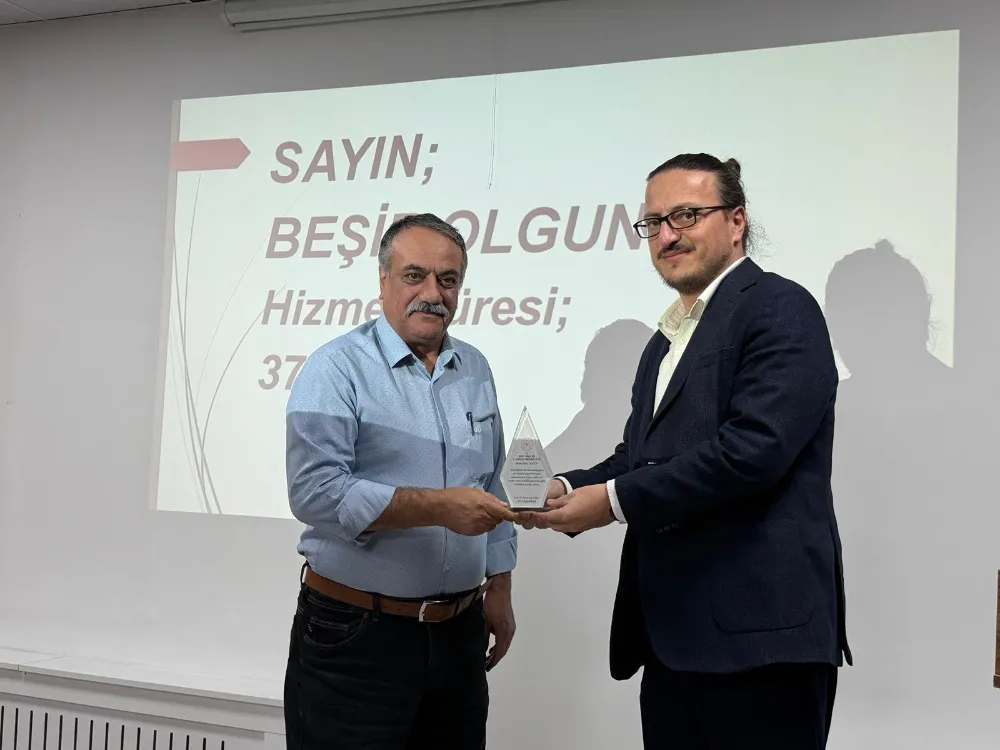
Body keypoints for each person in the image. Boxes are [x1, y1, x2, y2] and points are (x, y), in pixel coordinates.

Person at [519, 153, 852, 749]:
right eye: (654, 222)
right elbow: (638, 457)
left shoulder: (779, 307)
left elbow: (754, 450)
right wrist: (564, 488)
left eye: (687, 216)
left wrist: (612, 502)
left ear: (737, 221)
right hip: (674, 640)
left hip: (760, 644)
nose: (667, 235)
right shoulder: (666, 339)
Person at [282, 213, 519, 750]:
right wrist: (436, 507)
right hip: (357, 635)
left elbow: (494, 481)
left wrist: (500, 586)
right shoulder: (335, 369)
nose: (433, 294)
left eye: (448, 279)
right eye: (415, 276)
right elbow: (315, 491)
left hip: (460, 634)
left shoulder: (475, 368)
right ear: (384, 280)